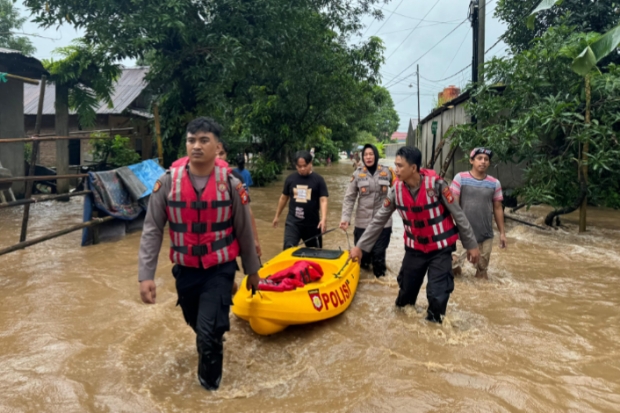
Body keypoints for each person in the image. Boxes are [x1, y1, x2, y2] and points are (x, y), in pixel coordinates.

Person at [137, 117, 261, 391]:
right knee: (196, 323)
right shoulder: (167, 183)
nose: (196, 145)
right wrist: (146, 276)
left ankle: (209, 391)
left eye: (204, 140)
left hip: (220, 269)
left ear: (217, 147)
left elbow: (244, 231)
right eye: (191, 140)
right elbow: (152, 230)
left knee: (208, 334)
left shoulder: (231, 185)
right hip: (186, 270)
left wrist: (253, 271)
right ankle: (210, 336)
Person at [350, 146, 480, 323]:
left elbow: (459, 215)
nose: (396, 170)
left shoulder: (437, 186)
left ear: (413, 168)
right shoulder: (395, 191)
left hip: (440, 250)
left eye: (400, 166)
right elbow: (378, 221)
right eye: (395, 165)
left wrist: (471, 245)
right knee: (404, 300)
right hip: (415, 250)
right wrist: (360, 247)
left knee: (437, 296)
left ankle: (434, 333)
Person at [340, 144, 396, 278]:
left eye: (371, 154)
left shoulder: (388, 172)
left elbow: (399, 191)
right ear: (362, 157)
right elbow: (349, 198)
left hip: (383, 223)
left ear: (376, 155)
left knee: (378, 258)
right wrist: (345, 218)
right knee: (363, 261)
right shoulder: (358, 174)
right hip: (362, 223)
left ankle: (380, 287)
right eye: (366, 155)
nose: (368, 157)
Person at [449, 147, 506, 279]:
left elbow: (498, 208)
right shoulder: (460, 178)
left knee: (482, 271)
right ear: (471, 161)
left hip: (485, 234)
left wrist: (502, 233)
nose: (483, 161)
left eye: (486, 159)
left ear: (489, 163)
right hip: (461, 234)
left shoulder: (494, 183)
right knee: (452, 267)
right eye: (479, 158)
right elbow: (454, 206)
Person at [272, 150, 328, 249]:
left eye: (305, 166)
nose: (302, 169)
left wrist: (323, 219)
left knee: (315, 254)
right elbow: (283, 198)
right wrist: (277, 216)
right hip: (293, 223)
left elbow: (323, 200)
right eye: (299, 166)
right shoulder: (290, 179)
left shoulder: (319, 180)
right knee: (288, 249)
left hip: (312, 224)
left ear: (311, 163)